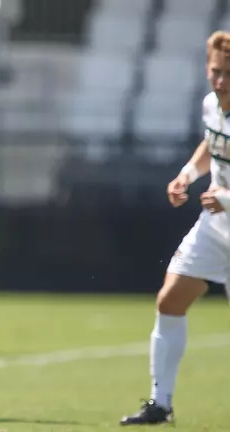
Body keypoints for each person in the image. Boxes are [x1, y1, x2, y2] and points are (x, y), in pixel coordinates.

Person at [120, 31, 230, 426]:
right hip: (216, 226)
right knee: (170, 300)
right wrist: (186, 175)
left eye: (229, 74)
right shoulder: (211, 105)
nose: (220, 81)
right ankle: (160, 404)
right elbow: (212, 144)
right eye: (216, 71)